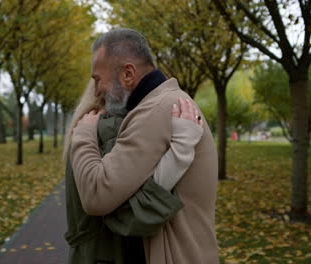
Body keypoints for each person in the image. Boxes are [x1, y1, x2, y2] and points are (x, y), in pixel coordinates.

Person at [70, 28, 219, 263]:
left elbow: (96, 195)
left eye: (98, 79)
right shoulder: (166, 102)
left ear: (128, 73)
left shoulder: (155, 110)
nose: (96, 90)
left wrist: (83, 133)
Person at [64, 79, 204, 263]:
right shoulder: (109, 128)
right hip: (110, 254)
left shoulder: (86, 124)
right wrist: (182, 148)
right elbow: (132, 212)